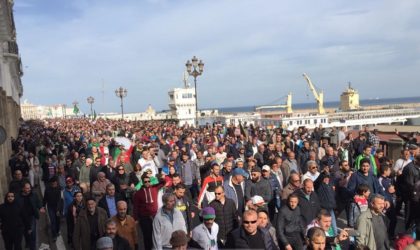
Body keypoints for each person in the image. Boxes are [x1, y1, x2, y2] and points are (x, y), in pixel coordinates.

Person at [132, 173, 166, 250]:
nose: (147, 183)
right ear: (142, 182)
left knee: (157, 234)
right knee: (147, 236)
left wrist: (157, 177)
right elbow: (135, 207)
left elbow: (163, 182)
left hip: (155, 216)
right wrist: (135, 218)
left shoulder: (155, 188)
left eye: (148, 181)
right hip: (144, 217)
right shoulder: (138, 193)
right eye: (145, 181)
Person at [16, 182, 45, 250]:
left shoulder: (33, 194)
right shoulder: (18, 197)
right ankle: (28, 242)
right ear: (23, 189)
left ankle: (33, 247)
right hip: (22, 218)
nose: (29, 189)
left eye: (29, 188)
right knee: (25, 232)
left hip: (31, 216)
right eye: (27, 188)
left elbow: (38, 202)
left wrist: (40, 207)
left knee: (33, 233)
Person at [42, 176, 63, 241]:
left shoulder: (59, 189)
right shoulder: (47, 189)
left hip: (58, 207)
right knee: (53, 221)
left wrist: (58, 210)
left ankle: (57, 230)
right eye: (53, 184)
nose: (54, 185)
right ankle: (54, 235)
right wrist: (43, 206)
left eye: (55, 184)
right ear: (51, 183)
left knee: (58, 220)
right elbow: (45, 198)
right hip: (50, 207)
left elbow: (59, 200)